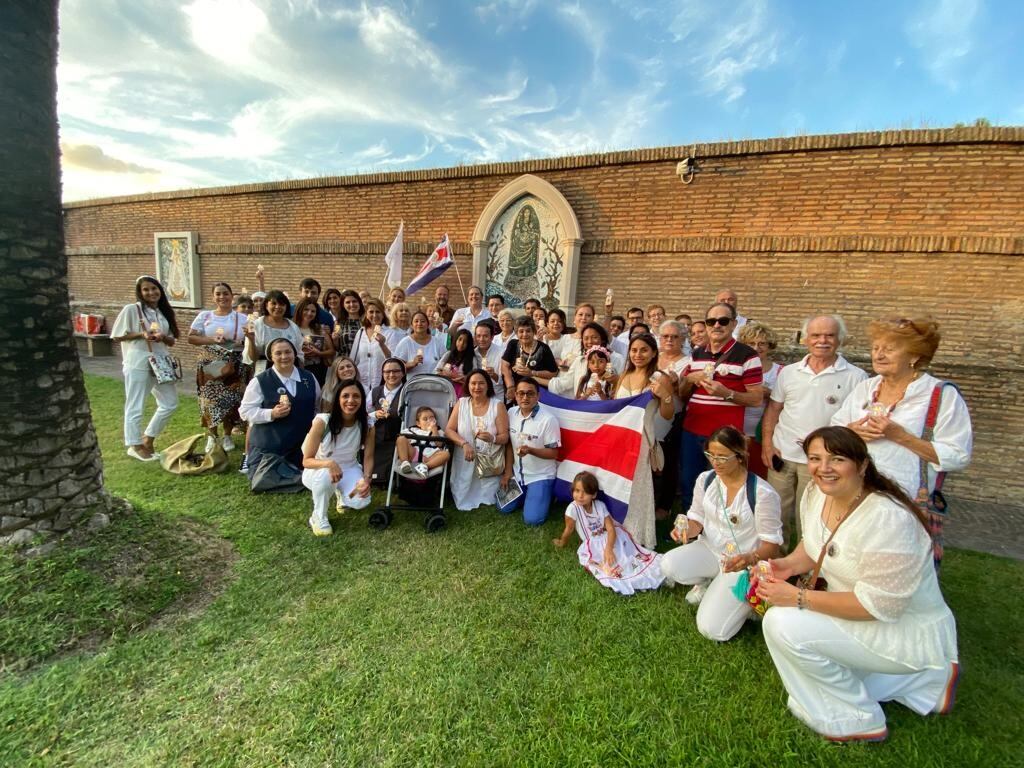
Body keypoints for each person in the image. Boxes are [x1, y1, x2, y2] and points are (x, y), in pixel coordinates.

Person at [755, 426, 959, 743]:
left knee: (781, 622)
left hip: (904, 628)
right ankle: (927, 679)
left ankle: (856, 719)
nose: (823, 468)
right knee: (817, 662)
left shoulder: (887, 518)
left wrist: (797, 597)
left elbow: (879, 607)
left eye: (837, 459)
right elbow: (813, 546)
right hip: (859, 615)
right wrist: (784, 566)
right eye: (815, 458)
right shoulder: (816, 493)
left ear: (862, 465)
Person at [831, 316, 972, 567]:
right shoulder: (866, 388)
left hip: (904, 503)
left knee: (894, 569)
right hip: (856, 494)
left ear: (914, 356)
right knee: (850, 564)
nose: (879, 354)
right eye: (875, 348)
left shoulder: (940, 395)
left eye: (889, 348)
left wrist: (901, 436)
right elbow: (835, 428)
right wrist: (852, 431)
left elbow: (957, 455)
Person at [662, 425, 783, 641]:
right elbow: (696, 519)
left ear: (740, 456)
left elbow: (772, 545)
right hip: (710, 549)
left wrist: (749, 557)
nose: (716, 462)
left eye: (723, 457)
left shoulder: (762, 493)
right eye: (711, 455)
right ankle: (709, 582)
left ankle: (744, 600)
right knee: (668, 564)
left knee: (712, 629)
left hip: (742, 563)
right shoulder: (706, 480)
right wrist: (685, 530)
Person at [761, 315, 867, 548]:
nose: (822, 341)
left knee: (811, 516)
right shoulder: (789, 372)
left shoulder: (856, 377)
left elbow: (858, 421)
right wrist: (767, 444)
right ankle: (775, 563)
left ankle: (808, 568)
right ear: (805, 339)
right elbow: (773, 409)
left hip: (824, 463)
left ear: (840, 339)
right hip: (783, 454)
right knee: (775, 513)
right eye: (816, 335)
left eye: (829, 335)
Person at [677, 302, 763, 511]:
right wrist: (689, 379)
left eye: (723, 320)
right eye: (711, 321)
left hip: (724, 436)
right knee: (690, 481)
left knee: (723, 484)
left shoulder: (747, 355)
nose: (716, 325)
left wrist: (727, 394)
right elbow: (682, 392)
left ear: (733, 324)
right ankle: (692, 530)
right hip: (692, 429)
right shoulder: (697, 353)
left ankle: (722, 531)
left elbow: (756, 398)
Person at [553, 471, 665, 595]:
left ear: (594, 494)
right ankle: (630, 576)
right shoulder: (572, 509)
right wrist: (562, 541)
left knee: (626, 557)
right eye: (577, 491)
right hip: (594, 544)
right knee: (611, 565)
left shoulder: (600, 506)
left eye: (585, 492)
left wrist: (609, 548)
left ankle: (644, 571)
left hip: (610, 538)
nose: (580, 495)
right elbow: (569, 529)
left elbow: (611, 528)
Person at [110, 275, 181, 461]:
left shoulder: (163, 311)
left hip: (161, 363)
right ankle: (134, 444)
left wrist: (162, 337)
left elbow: (172, 340)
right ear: (140, 292)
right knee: (135, 404)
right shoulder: (132, 310)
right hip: (139, 362)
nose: (151, 292)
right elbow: (117, 336)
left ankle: (148, 439)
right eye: (146, 290)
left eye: (154, 288)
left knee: (170, 403)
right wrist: (142, 334)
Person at [616, 333, 679, 543]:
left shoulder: (659, 378)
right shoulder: (624, 375)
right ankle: (617, 523)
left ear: (653, 353)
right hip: (621, 438)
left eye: (644, 350)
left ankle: (637, 530)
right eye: (634, 350)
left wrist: (665, 395)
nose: (638, 354)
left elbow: (668, 414)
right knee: (620, 482)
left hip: (643, 438)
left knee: (638, 485)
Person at [301, 378, 374, 536]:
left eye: (356, 396)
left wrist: (366, 480)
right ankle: (318, 516)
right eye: (345, 396)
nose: (351, 400)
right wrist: (329, 463)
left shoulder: (367, 424)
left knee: (361, 500)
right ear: (337, 399)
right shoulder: (322, 422)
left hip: (349, 468)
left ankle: (342, 495)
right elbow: (306, 460)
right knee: (326, 476)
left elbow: (368, 457)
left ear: (362, 400)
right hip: (318, 471)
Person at [240, 338, 320, 471]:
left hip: (302, 446)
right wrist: (271, 413)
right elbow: (245, 412)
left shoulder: (309, 377)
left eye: (288, 352)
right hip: (271, 447)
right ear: (271, 357)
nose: (284, 356)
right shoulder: (260, 381)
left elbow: (317, 407)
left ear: (294, 354)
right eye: (278, 353)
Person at [187, 281, 249, 452]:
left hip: (233, 363)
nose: (222, 297)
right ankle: (212, 436)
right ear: (213, 296)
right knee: (209, 401)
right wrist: (211, 340)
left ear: (232, 296)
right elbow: (191, 338)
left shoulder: (241, 318)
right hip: (209, 364)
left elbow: (250, 339)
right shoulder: (205, 316)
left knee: (231, 400)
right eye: (218, 294)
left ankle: (227, 434)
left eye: (225, 293)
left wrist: (242, 341)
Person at [445, 369, 509, 511]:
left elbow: (505, 437)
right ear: (468, 385)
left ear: (488, 386)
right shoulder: (461, 403)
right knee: (462, 494)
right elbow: (449, 430)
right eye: (473, 383)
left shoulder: (497, 405)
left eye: (481, 383)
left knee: (490, 496)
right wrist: (464, 443)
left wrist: (492, 438)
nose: (477, 387)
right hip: (465, 459)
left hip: (489, 462)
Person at [499, 377, 561, 525]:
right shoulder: (511, 412)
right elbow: (508, 445)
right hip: (518, 475)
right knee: (503, 508)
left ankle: (545, 494)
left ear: (538, 396)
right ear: (515, 395)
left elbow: (554, 453)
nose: (525, 397)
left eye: (530, 393)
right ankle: (530, 495)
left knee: (532, 520)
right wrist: (508, 472)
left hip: (540, 476)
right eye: (521, 393)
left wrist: (531, 451)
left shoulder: (548, 420)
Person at [654, 319, 691, 518]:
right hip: (650, 415)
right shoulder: (653, 357)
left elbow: (688, 396)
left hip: (673, 417)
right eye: (665, 336)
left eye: (674, 337)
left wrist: (677, 385)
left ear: (682, 339)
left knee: (669, 461)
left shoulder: (688, 363)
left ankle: (665, 505)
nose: (669, 340)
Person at [737, 321, 783, 479]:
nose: (756, 348)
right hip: (739, 427)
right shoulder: (738, 368)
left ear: (770, 346)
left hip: (764, 431)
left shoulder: (781, 371)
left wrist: (769, 393)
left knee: (759, 474)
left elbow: (787, 401)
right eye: (751, 343)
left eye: (762, 343)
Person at [549, 322, 624, 397]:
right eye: (586, 338)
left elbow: (626, 386)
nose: (589, 341)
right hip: (583, 407)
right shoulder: (580, 361)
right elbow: (564, 383)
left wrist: (617, 380)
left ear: (602, 339)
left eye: (594, 337)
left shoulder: (617, 359)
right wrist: (537, 379)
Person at [244, 289, 305, 372]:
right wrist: (251, 340)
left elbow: (299, 355)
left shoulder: (293, 327)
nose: (277, 307)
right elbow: (253, 358)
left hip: (289, 371)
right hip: (264, 372)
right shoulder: (257, 325)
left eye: (281, 304)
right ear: (266, 305)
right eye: (273, 303)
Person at [368, 358, 407, 485]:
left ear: (403, 373)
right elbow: (364, 414)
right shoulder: (374, 392)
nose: (391, 375)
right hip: (376, 439)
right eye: (387, 372)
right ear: (382, 373)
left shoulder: (408, 392)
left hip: (398, 438)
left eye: (396, 371)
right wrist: (374, 414)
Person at [501, 316, 558, 399]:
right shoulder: (513, 344)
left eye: (528, 331)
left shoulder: (543, 348)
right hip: (516, 392)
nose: (525, 334)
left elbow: (553, 373)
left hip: (538, 394)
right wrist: (510, 386)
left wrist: (532, 373)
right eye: (521, 331)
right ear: (516, 333)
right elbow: (504, 366)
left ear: (533, 332)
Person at [397, 406, 451, 479]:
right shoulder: (412, 430)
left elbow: (439, 444)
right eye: (425, 419)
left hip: (429, 457)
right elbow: (402, 441)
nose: (429, 421)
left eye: (431, 418)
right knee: (401, 439)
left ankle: (425, 466)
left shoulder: (438, 431)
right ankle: (405, 463)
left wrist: (434, 430)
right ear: (418, 423)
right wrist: (407, 441)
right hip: (413, 453)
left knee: (446, 454)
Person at [349, 298, 392, 387]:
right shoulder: (361, 332)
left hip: (382, 382)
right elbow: (353, 358)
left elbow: (392, 360)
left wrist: (382, 345)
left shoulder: (390, 333)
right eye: (371, 312)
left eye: (378, 312)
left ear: (383, 314)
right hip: (361, 382)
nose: (374, 315)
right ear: (366, 314)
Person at [294, 297, 336, 386]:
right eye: (306, 309)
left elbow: (331, 351)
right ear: (299, 310)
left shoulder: (320, 328)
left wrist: (318, 353)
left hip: (318, 369)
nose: (309, 313)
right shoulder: (291, 327)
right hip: (297, 368)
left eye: (313, 311)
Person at [395, 311, 447, 378]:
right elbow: (396, 368)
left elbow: (446, 362)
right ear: (411, 325)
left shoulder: (437, 342)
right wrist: (412, 363)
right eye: (416, 321)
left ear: (428, 325)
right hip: (414, 385)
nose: (419, 323)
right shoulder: (405, 342)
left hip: (434, 384)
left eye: (423, 321)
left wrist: (442, 370)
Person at [435, 328, 475, 397]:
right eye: (459, 339)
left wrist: (453, 375)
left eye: (465, 342)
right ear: (455, 340)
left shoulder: (472, 359)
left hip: (462, 394)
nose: (461, 343)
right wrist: (446, 374)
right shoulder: (448, 354)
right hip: (445, 392)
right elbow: (437, 371)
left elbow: (474, 377)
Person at [473, 320, 505, 404]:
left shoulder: (501, 352)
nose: (481, 339)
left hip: (496, 397)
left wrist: (494, 375)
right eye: (478, 336)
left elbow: (506, 380)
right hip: (477, 397)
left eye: (485, 336)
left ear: (492, 337)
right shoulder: (472, 353)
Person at [332, 289, 364, 358]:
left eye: (354, 301)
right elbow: (337, 348)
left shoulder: (366, 321)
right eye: (348, 302)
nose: (352, 304)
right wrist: (335, 340)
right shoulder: (339, 323)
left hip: (363, 363)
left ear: (359, 302)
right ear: (343, 305)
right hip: (346, 363)